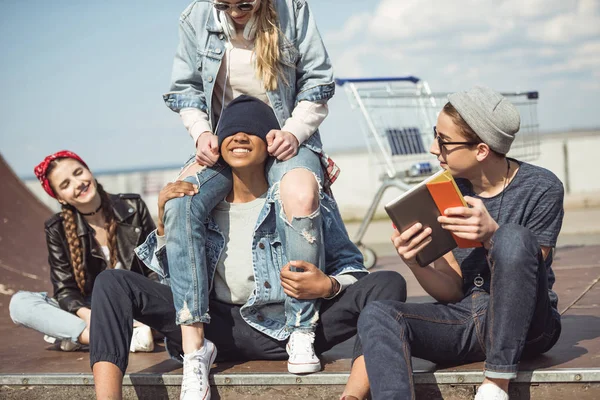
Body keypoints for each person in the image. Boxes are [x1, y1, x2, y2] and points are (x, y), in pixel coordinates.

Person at [89, 97, 407, 400]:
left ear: (269, 143)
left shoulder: (299, 200)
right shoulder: (198, 207)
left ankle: (354, 392)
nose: (240, 135)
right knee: (111, 283)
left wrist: (328, 285)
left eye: (252, 130)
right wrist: (163, 225)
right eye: (230, 131)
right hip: (213, 328)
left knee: (389, 283)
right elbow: (174, 282)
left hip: (287, 332)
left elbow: (354, 267)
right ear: (218, 144)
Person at [163, 0, 342, 383]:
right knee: (180, 201)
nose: (235, 12)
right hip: (224, 141)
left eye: (244, 3)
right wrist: (201, 133)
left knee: (300, 194)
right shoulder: (194, 17)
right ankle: (195, 348)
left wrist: (294, 131)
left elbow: (318, 80)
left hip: (287, 137)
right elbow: (186, 88)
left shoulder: (292, 10)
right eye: (223, 4)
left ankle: (300, 329)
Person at [356, 86, 564, 400]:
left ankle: (497, 383)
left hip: (530, 326)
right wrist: (416, 261)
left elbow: (531, 265)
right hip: (469, 318)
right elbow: (452, 290)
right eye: (434, 135)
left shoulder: (541, 187)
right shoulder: (444, 190)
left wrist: (491, 234)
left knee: (512, 237)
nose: (432, 147)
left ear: (481, 150)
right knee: (378, 314)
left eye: (444, 141)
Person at [9, 151, 158, 353]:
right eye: (65, 185)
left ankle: (82, 337)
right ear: (60, 198)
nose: (78, 183)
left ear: (88, 170)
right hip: (92, 311)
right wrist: (89, 316)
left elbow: (153, 268)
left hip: (137, 306)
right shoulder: (57, 229)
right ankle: (121, 337)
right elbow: (65, 290)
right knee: (20, 304)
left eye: (78, 172)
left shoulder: (132, 207)